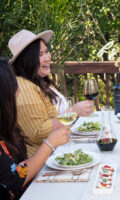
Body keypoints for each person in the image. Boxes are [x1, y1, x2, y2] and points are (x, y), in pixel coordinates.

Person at [7, 29, 94, 157]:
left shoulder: (40, 80)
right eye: (40, 54)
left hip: (60, 150)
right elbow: (38, 132)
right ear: (27, 59)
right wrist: (73, 112)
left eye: (47, 51)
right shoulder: (23, 86)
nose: (47, 57)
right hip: (43, 163)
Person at [0, 62, 71, 200]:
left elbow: (15, 166)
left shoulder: (7, 128)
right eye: (14, 99)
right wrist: (50, 144)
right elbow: (15, 178)